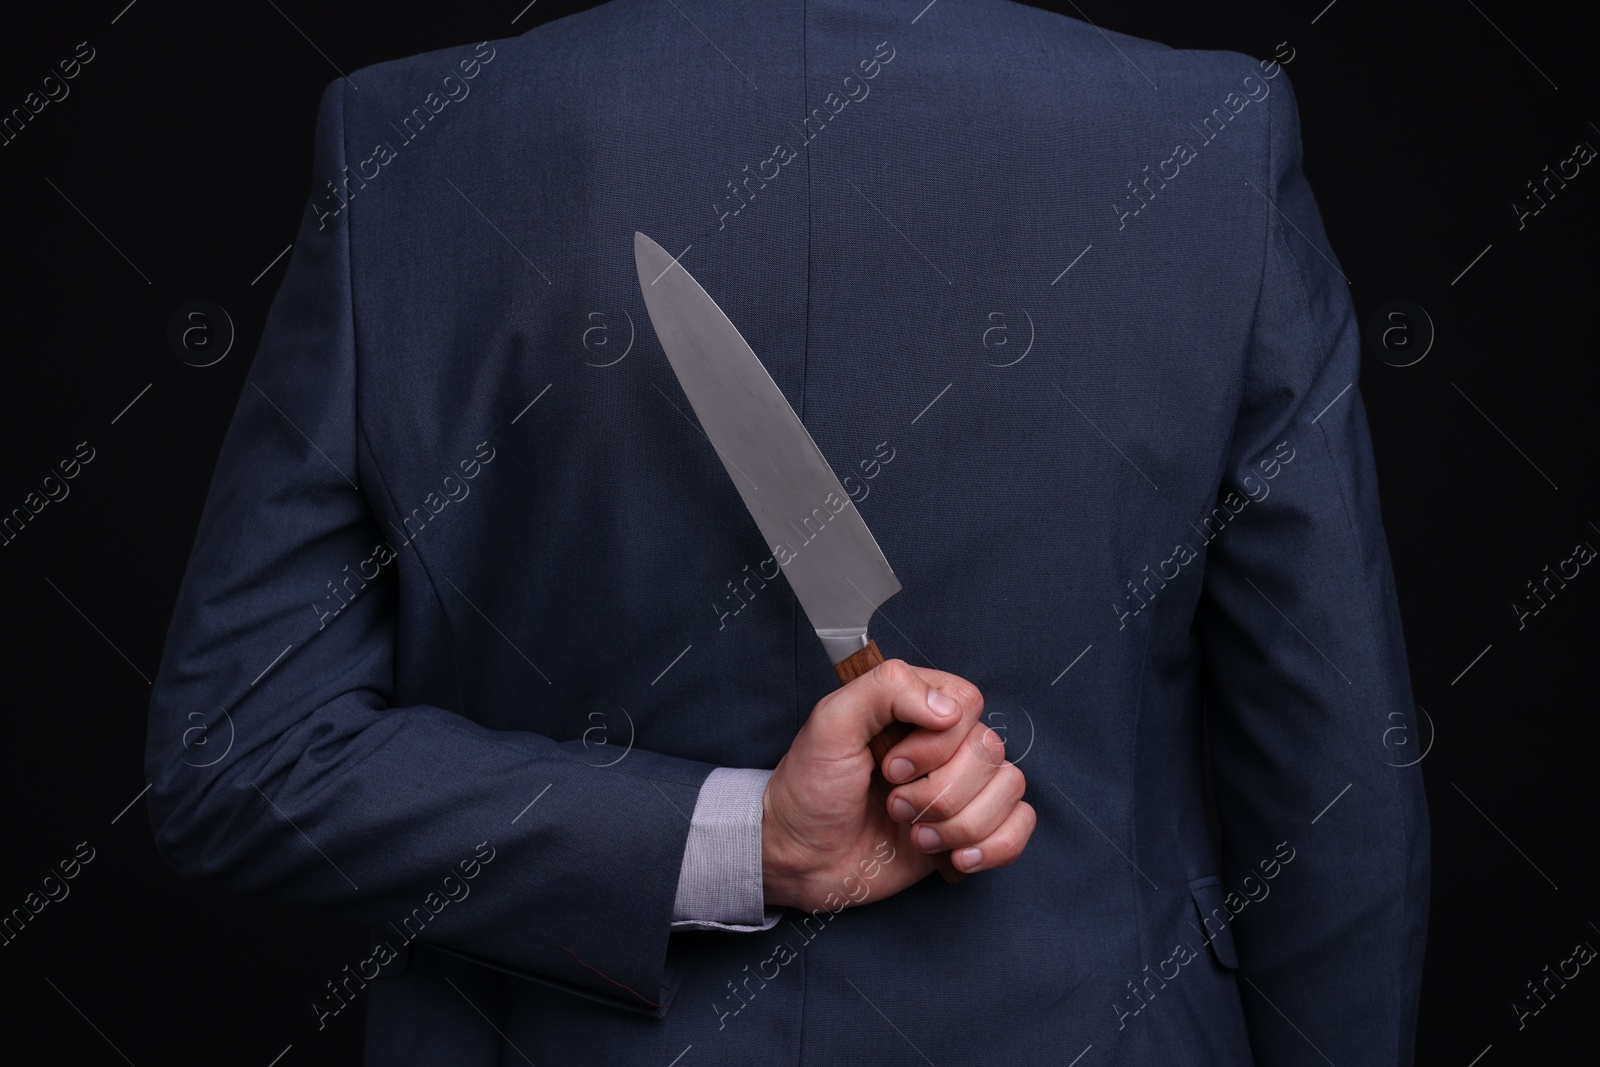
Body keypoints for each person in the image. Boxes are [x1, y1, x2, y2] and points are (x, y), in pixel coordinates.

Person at [146, 0, 1429, 1063]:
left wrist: (709, 841)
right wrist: (759, 839)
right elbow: (1336, 789)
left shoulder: (423, 144)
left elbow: (239, 749)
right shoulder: (1202, 139)